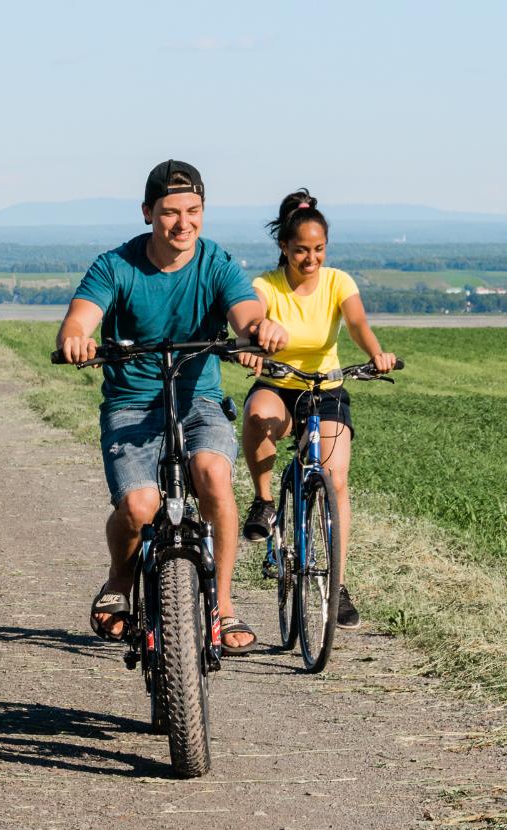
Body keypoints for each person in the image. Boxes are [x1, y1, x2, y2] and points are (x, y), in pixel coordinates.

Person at [56, 159, 288, 654]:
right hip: (132, 404)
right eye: (170, 212)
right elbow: (81, 319)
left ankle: (222, 608)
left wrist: (259, 329)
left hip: (197, 399)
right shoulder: (114, 266)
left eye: (194, 210)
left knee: (213, 475)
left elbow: (245, 311)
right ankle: (119, 580)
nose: (184, 223)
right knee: (140, 506)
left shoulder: (216, 264)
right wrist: (78, 339)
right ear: (147, 213)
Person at [238, 189, 396, 629]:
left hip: (326, 389)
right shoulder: (265, 286)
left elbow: (358, 323)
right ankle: (264, 501)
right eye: (302, 250)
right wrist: (251, 348)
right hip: (280, 383)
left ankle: (337, 585)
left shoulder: (338, 282)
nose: (312, 259)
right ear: (284, 247)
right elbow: (252, 322)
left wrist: (377, 353)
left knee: (337, 479)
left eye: (319, 249)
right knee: (257, 416)